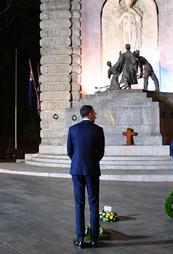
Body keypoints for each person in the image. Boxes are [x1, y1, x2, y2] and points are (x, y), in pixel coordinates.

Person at [67, 105, 105, 248]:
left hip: (76, 170)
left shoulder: (73, 129)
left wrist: (78, 162)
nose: (95, 116)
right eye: (94, 113)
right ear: (89, 114)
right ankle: (94, 240)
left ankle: (81, 239)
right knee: (94, 204)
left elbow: (70, 151)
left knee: (79, 204)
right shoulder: (98, 130)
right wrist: (92, 162)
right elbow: (101, 152)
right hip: (92, 170)